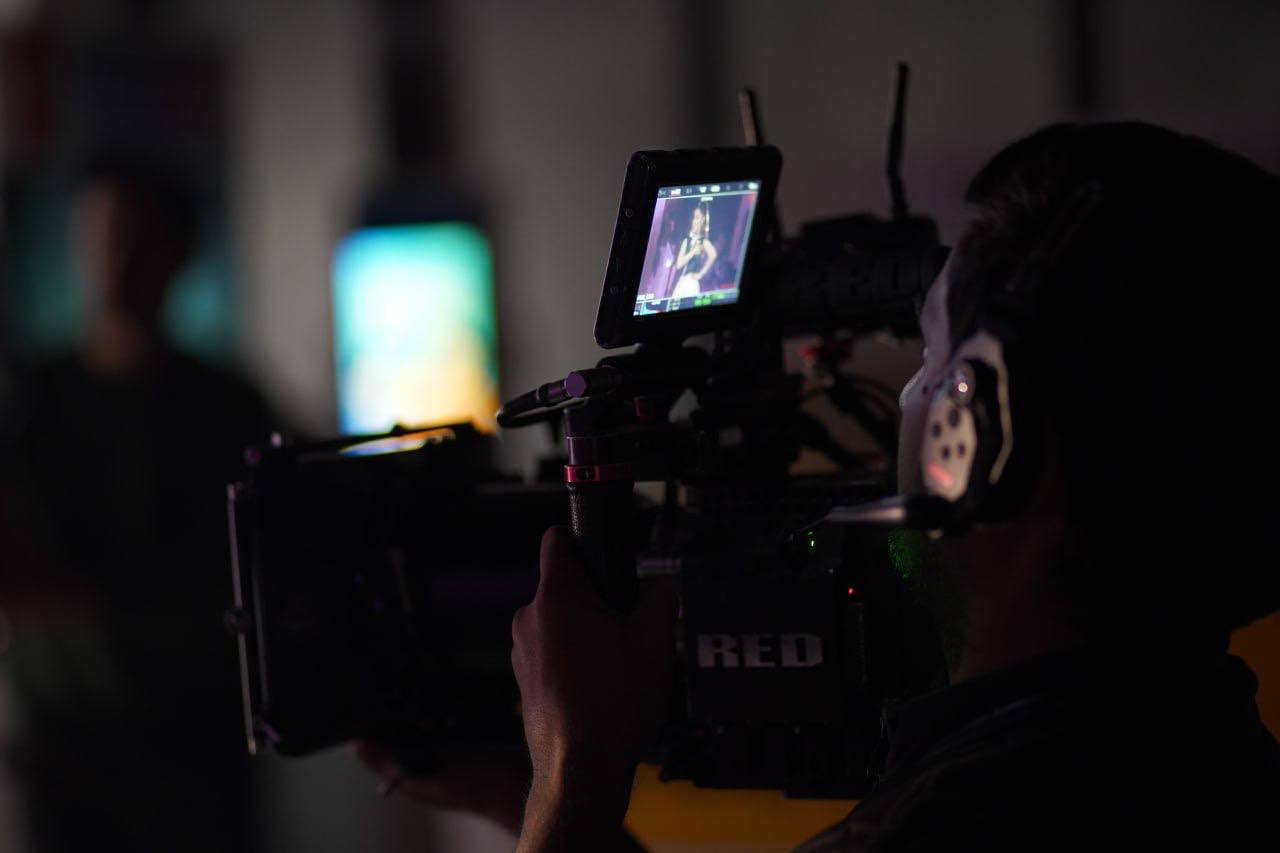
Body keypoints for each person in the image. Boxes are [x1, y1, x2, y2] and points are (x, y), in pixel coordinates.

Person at [362, 122, 1280, 850]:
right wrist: (531, 796)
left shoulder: (950, 823)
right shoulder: (1207, 750)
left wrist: (574, 779)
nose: (908, 399)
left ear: (980, 434)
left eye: (930, 360)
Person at [0, 158, 276, 852]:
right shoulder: (31, 404)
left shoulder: (228, 407)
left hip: (199, 746)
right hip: (65, 742)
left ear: (178, 253)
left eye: (132, 238)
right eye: (96, 239)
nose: (112, 260)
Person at [670, 202, 717, 299]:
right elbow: (679, 264)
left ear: (702, 220)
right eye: (693, 217)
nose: (694, 221)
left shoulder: (703, 241)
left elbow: (713, 255)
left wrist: (701, 274)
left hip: (692, 283)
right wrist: (692, 252)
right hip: (682, 281)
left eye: (697, 217)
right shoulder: (686, 241)